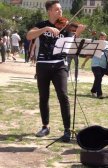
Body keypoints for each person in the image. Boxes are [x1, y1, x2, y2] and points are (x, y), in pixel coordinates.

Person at [26, 0, 85, 142]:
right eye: (57, 10)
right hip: (43, 64)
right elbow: (29, 35)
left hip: (60, 65)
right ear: (49, 11)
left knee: (63, 96)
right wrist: (45, 29)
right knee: (43, 96)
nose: (60, 12)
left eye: (61, 10)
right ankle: (45, 126)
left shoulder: (66, 27)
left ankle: (66, 130)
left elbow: (71, 47)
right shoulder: (41, 24)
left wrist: (76, 34)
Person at [91, 32, 108, 99]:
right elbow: (91, 43)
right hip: (95, 64)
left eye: (103, 37)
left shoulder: (107, 45)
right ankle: (99, 94)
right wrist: (93, 36)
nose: (102, 38)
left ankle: (93, 90)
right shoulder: (96, 43)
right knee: (98, 78)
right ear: (99, 37)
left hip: (103, 65)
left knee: (98, 79)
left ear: (105, 37)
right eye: (101, 36)